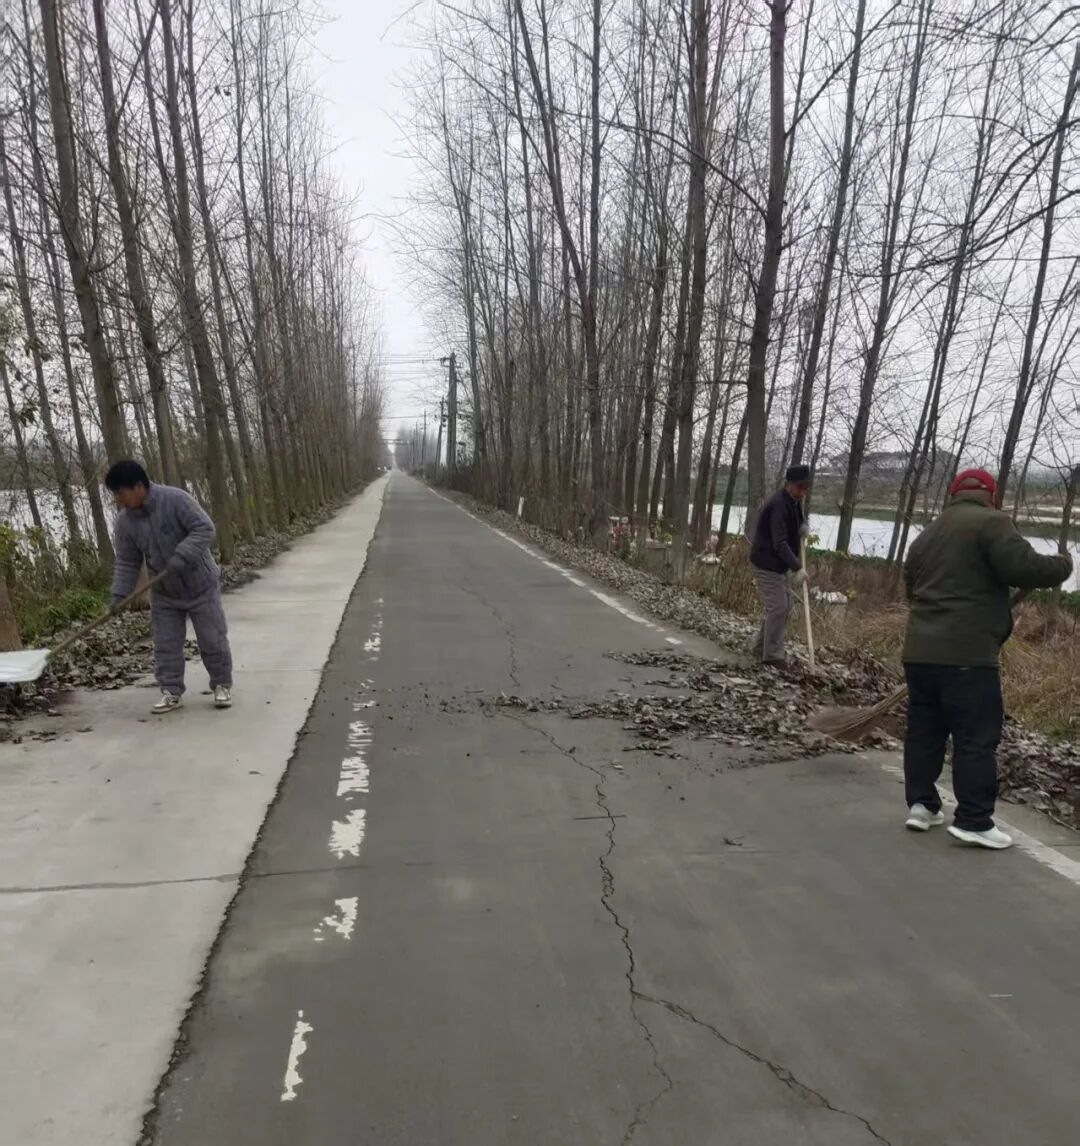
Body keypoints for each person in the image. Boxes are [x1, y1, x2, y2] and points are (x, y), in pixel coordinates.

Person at [902, 468, 1072, 849]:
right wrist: (1063, 564)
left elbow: (910, 587)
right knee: (975, 736)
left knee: (925, 731)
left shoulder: (929, 533)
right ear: (991, 495)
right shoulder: (993, 523)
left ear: (954, 494)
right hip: (968, 654)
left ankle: (922, 805)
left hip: (919, 653)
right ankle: (975, 820)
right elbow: (1025, 567)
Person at [105, 460, 233, 714]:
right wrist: (119, 596)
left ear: (138, 487)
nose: (118, 499)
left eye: (121, 493)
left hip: (200, 586)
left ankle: (221, 684)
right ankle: (171, 691)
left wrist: (182, 555)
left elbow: (204, 528)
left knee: (212, 639)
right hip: (165, 592)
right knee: (166, 644)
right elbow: (128, 563)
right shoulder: (125, 523)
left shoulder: (175, 499)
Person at [749, 464, 811, 666]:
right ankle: (772, 656)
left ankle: (760, 649)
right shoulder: (778, 505)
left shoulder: (794, 501)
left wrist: (802, 527)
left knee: (778, 607)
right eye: (800, 487)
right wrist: (797, 568)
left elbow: (796, 521)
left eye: (806, 487)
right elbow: (779, 543)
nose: (803, 492)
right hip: (766, 562)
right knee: (778, 607)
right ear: (789, 484)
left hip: (778, 564)